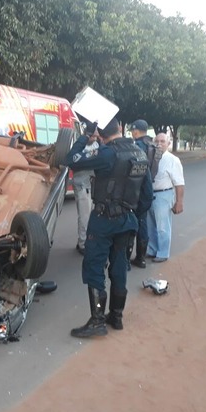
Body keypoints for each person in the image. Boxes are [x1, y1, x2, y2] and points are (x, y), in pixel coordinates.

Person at [65, 120, 153, 337]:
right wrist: (132, 213)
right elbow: (147, 194)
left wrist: (86, 136)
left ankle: (97, 320)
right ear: (121, 129)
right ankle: (116, 316)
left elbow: (70, 159)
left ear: (100, 134)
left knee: (94, 267)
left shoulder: (106, 154)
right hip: (128, 220)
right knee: (119, 267)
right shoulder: (140, 153)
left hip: (104, 220)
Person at [146, 132, 184, 263]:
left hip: (164, 195)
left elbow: (179, 183)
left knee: (162, 227)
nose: (159, 144)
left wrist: (179, 202)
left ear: (168, 143)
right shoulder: (150, 157)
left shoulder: (173, 160)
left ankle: (162, 253)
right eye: (157, 141)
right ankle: (152, 249)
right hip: (150, 194)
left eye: (162, 141)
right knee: (150, 225)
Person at [126, 119, 157, 268]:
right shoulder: (152, 145)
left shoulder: (136, 146)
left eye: (132, 130)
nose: (132, 133)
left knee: (131, 224)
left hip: (136, 190)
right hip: (147, 188)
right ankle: (141, 257)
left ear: (136, 130)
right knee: (143, 224)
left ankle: (126, 259)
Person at [72, 129, 100, 255]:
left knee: (92, 217)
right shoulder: (78, 146)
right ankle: (82, 244)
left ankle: (87, 241)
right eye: (92, 136)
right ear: (86, 134)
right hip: (81, 185)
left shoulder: (97, 145)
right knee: (84, 217)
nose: (94, 139)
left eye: (96, 136)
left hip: (92, 185)